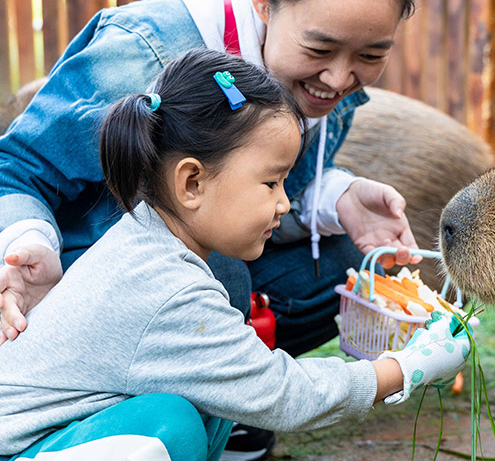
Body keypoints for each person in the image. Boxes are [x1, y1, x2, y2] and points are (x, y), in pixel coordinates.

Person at [0, 48, 471, 461]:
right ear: (192, 183)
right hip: (20, 446)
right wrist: (407, 367)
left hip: (56, 434)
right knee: (169, 425)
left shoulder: (149, 245)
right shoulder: (166, 289)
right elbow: (284, 394)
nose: (285, 203)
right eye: (271, 183)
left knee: (211, 400)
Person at [0, 0, 417, 356]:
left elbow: (259, 193)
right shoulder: (146, 52)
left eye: (371, 55)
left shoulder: (322, 84)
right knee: (217, 269)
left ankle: (235, 396)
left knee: (347, 261)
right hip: (73, 283)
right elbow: (16, 166)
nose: (339, 78)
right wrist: (28, 242)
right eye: (319, 50)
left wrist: (335, 198)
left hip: (188, 282)